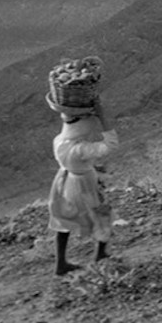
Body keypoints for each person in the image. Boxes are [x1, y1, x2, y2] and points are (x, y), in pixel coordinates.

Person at [46, 94, 118, 276]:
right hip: (83, 183)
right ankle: (100, 255)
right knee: (102, 214)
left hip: (65, 181)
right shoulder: (80, 148)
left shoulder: (60, 141)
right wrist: (102, 118)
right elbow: (111, 145)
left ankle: (60, 263)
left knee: (64, 220)